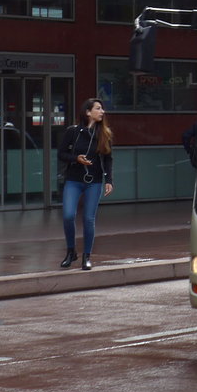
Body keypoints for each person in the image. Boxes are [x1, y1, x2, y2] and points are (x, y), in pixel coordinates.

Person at [57, 98, 114, 270]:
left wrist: (109, 180)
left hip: (93, 182)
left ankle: (86, 257)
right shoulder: (73, 132)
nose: (102, 111)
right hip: (74, 180)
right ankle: (71, 251)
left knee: (89, 219)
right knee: (68, 215)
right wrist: (76, 158)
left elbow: (108, 158)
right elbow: (61, 154)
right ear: (88, 112)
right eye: (98, 108)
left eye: (102, 109)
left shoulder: (104, 134)